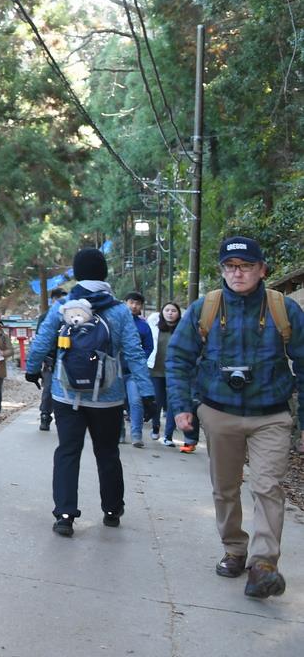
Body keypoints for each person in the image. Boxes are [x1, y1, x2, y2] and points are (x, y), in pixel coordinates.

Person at [165, 236, 304, 600]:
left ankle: (263, 566)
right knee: (225, 488)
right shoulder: (204, 308)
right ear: (222, 271)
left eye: (245, 266)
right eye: (230, 266)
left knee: (267, 487)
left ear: (262, 269)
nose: (237, 273)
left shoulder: (283, 309)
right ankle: (234, 549)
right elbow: (178, 358)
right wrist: (181, 406)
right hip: (219, 412)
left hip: (271, 415)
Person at [24, 248, 156, 537]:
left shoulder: (64, 306)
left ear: (77, 273)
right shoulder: (120, 311)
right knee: (107, 452)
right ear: (105, 274)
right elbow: (134, 353)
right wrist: (147, 393)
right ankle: (111, 509)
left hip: (66, 393)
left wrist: (32, 370)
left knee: (68, 451)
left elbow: (42, 342)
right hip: (108, 396)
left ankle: (64, 515)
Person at [122, 291, 154, 446]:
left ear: (141, 306)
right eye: (131, 302)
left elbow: (149, 347)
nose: (134, 306)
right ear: (125, 303)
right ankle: (119, 433)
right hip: (115, 371)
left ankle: (136, 435)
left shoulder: (143, 326)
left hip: (135, 372)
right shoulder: (116, 322)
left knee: (136, 401)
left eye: (137, 303)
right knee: (116, 403)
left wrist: (139, 361)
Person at [152, 300, 184, 446]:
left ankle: (168, 435)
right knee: (157, 401)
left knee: (173, 404)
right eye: (167, 310)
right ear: (162, 313)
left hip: (176, 373)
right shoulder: (154, 327)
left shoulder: (183, 329)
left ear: (178, 314)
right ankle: (155, 427)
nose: (170, 313)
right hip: (156, 371)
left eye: (173, 310)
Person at [37, 286, 68, 431]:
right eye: (59, 298)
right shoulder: (45, 317)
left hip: (67, 358)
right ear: (53, 300)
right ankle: (45, 415)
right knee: (48, 388)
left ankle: (64, 419)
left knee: (66, 388)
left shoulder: (70, 315)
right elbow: (40, 340)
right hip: (50, 358)